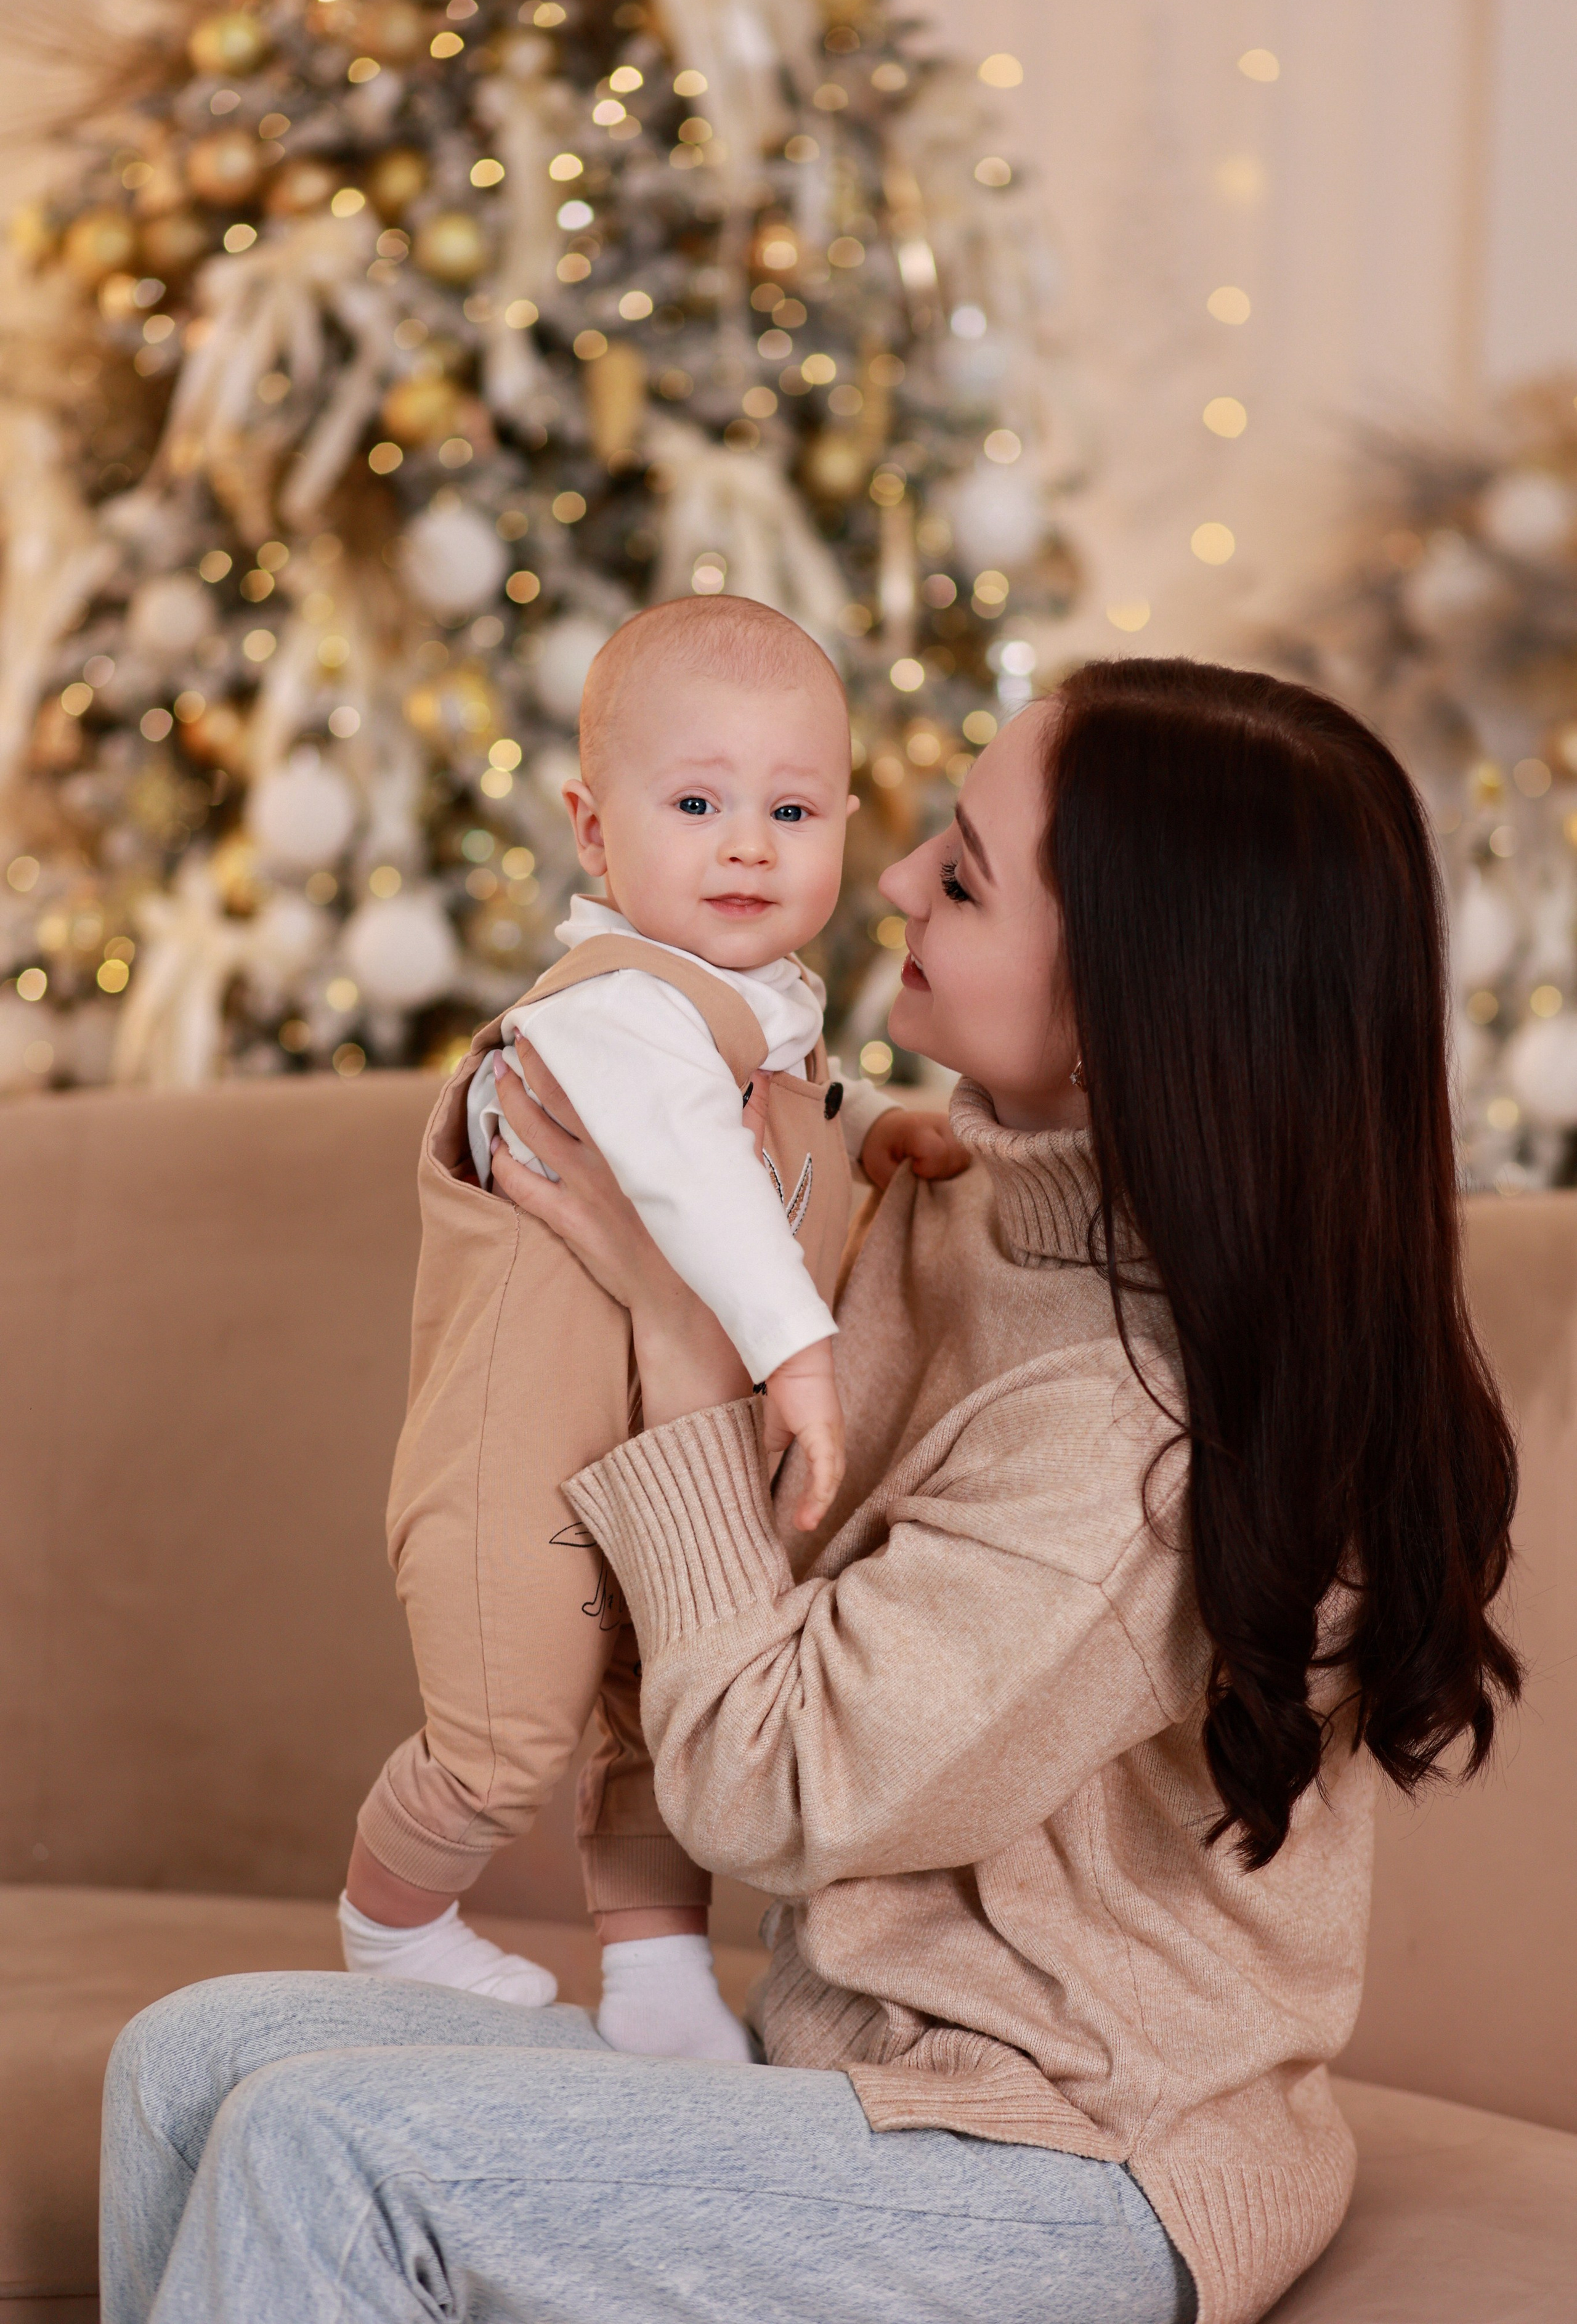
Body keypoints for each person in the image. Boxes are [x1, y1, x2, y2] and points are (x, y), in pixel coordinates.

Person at [101, 659, 1520, 2324]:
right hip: (853, 2071)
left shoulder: (1135, 1442)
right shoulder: (968, 1189)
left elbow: (768, 1786)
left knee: (323, 2149)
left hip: (1064, 2160)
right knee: (187, 2060)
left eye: (968, 876)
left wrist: (688, 1349)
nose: (897, 876)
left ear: (1138, 1000)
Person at [341, 593, 963, 2058]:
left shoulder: (769, 1012)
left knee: (657, 1715)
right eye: (695, 801)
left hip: (667, 1449)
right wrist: (799, 1353)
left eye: (791, 807)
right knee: (504, 1741)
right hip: (526, 1461)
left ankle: (658, 1972)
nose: (747, 843)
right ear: (592, 828)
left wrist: (868, 1131)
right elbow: (692, 1165)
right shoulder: (608, 1012)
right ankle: (394, 1921)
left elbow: (774, 1115)